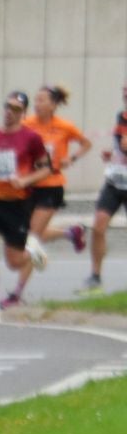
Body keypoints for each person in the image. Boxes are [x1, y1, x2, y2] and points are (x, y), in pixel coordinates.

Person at [0, 91, 53, 321]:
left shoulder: (31, 138)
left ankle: (32, 250)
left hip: (17, 203)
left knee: (14, 262)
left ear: (23, 113)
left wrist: (25, 180)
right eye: (7, 107)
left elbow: (47, 168)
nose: (9, 112)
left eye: (16, 109)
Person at [21, 85, 90, 273]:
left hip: (52, 186)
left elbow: (86, 143)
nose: (37, 104)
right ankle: (70, 233)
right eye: (36, 100)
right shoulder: (27, 124)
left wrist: (72, 158)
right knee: (26, 234)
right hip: (29, 184)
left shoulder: (64, 126)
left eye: (42, 100)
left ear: (53, 105)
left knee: (31, 237)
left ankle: (17, 292)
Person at [90, 87, 127, 293]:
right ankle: (95, 276)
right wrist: (111, 153)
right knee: (98, 227)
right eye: (125, 96)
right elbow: (120, 146)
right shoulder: (122, 117)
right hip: (115, 181)